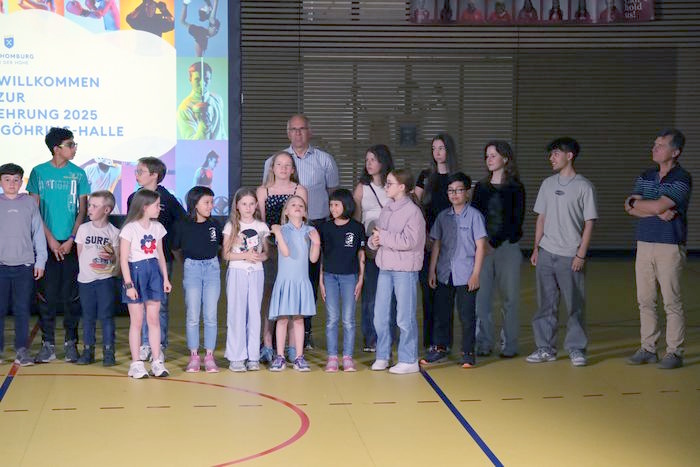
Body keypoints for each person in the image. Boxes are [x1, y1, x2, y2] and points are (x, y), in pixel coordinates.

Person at [262, 114, 340, 349]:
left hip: (309, 230)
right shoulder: (272, 161)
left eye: (302, 128)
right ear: (288, 133)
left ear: (310, 131)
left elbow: (333, 193)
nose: (298, 133)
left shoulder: (324, 160)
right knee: (273, 288)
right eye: (293, 129)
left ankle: (303, 335)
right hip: (275, 239)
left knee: (306, 285)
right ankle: (270, 340)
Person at [625, 129, 691, 370]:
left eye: (661, 145)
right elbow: (629, 206)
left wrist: (641, 204)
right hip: (644, 243)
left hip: (669, 245)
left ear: (675, 152)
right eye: (654, 144)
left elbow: (653, 205)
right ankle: (648, 348)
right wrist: (652, 209)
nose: (654, 148)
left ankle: (674, 352)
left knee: (671, 301)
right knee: (645, 300)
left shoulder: (681, 178)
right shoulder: (646, 175)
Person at [527, 137, 597, 367]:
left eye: (556, 153)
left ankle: (576, 348)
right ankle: (545, 348)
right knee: (546, 304)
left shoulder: (584, 186)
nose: (551, 158)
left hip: (571, 255)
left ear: (570, 155)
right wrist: (536, 248)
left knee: (574, 304)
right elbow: (541, 218)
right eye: (551, 154)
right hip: (547, 252)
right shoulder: (547, 184)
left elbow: (589, 223)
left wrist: (581, 254)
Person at [28, 127, 90, 364]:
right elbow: (34, 210)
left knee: (72, 296)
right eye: (70, 144)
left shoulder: (78, 174)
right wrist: (50, 239)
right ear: (56, 148)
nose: (74, 148)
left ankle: (71, 343)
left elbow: (82, 210)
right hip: (45, 244)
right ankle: (48, 345)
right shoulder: (39, 172)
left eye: (74, 144)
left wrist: (72, 238)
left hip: (71, 244)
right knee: (46, 296)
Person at [421, 172, 487, 368]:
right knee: (442, 313)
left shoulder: (475, 216)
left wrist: (476, 274)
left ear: (467, 192)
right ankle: (440, 347)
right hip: (444, 272)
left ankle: (467, 352)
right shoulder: (443, 216)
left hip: (466, 274)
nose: (454, 194)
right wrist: (432, 271)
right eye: (451, 191)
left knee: (467, 315)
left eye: (459, 190)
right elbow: (437, 245)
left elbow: (481, 247)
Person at [127, 157, 186, 363]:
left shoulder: (168, 199)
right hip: (137, 260)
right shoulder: (134, 198)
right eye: (136, 171)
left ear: (154, 175)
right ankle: (145, 344)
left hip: (160, 259)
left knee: (158, 304)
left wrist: (172, 246)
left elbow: (181, 222)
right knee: (141, 303)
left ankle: (158, 345)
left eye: (141, 171)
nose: (136, 175)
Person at [369, 169, 426, 375]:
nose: (386, 186)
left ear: (402, 187)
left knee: (404, 316)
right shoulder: (387, 208)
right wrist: (374, 241)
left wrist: (383, 237)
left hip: (404, 270)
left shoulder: (413, 212)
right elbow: (379, 235)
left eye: (390, 183)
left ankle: (409, 359)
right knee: (380, 315)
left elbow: (409, 241)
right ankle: (383, 355)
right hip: (385, 267)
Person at [472, 141, 525, 358]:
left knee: (510, 299)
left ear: (505, 158)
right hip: (483, 249)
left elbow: (515, 220)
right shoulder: (481, 187)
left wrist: (494, 243)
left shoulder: (516, 187)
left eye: (493, 155)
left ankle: (509, 344)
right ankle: (483, 343)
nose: (489, 159)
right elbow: (476, 217)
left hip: (507, 248)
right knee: (482, 300)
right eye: (487, 156)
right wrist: (483, 243)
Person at [257, 151, 308, 363]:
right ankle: (268, 343)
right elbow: (261, 224)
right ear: (272, 168)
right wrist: (266, 248)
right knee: (269, 296)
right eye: (279, 164)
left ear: (293, 169)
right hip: (271, 248)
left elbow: (303, 221)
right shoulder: (263, 191)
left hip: (293, 251)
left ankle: (292, 346)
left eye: (288, 165)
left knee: (292, 297)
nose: (283, 168)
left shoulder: (299, 190)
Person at [120, 189, 172, 378]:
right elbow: (123, 259)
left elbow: (160, 255)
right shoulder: (129, 229)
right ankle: (136, 363)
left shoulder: (157, 227)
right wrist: (129, 285)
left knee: (154, 319)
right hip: (135, 273)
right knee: (137, 321)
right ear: (144, 207)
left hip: (154, 274)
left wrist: (165, 278)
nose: (159, 208)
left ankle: (157, 361)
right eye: (156, 205)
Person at [0, 163, 47, 367]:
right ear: (1, 181)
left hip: (25, 265)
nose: (12, 183)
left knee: (22, 310)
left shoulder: (29, 203)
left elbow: (38, 233)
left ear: (21, 182)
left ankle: (22, 350)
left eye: (16, 180)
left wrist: (41, 261)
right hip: (1, 266)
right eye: (7, 179)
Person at [267, 196, 321, 372]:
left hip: (301, 281)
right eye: (293, 205)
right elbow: (285, 252)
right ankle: (280, 356)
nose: (297, 207)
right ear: (286, 211)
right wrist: (278, 233)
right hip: (285, 280)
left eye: (301, 205)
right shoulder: (282, 230)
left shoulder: (310, 230)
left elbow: (313, 259)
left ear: (305, 212)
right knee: (282, 319)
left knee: (298, 319)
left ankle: (299, 357)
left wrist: (317, 243)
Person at [173, 186, 222, 373]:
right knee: (193, 314)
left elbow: (219, 247)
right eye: (206, 202)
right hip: (192, 268)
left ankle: (209, 356)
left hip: (212, 269)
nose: (211, 206)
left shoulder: (214, 225)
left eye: (212, 202)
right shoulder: (182, 225)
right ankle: (194, 356)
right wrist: (188, 263)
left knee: (210, 315)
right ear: (195, 204)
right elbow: (176, 249)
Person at [415, 133, 457, 351]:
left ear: (449, 150)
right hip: (428, 242)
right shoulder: (425, 176)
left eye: (441, 148)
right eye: (434, 148)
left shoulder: (457, 178)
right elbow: (416, 205)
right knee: (428, 292)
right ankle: (429, 341)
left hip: (450, 244)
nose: (437, 152)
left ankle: (444, 342)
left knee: (446, 293)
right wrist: (425, 236)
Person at [352, 144, 394, 353]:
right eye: (367, 160)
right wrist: (359, 246)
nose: (369, 164)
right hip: (370, 243)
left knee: (391, 293)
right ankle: (371, 337)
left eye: (373, 160)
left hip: (392, 243)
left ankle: (389, 335)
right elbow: (356, 218)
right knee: (370, 292)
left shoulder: (392, 184)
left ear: (383, 161)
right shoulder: (362, 187)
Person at [222, 188, 270, 372]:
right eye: (244, 204)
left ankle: (253, 356)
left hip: (256, 272)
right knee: (237, 313)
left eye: (251, 204)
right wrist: (245, 255)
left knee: (255, 314)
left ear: (256, 205)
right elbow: (226, 254)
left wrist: (259, 257)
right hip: (237, 272)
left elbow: (266, 253)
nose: (248, 208)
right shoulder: (231, 227)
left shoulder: (261, 227)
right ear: (237, 206)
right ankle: (236, 357)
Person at [319, 189, 365, 372]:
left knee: (348, 319)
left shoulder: (357, 228)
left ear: (346, 205)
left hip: (349, 277)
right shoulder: (325, 228)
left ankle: (347, 357)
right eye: (331, 205)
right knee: (332, 318)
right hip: (329, 276)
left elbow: (361, 254)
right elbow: (322, 256)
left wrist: (360, 279)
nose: (333, 208)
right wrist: (321, 280)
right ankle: (332, 357)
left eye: (336, 204)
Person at [74, 190, 120, 366]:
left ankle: (109, 352)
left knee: (106, 316)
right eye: (89, 205)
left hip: (105, 280)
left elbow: (117, 258)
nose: (90, 209)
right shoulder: (83, 229)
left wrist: (110, 260)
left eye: (94, 206)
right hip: (86, 280)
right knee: (88, 316)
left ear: (106, 210)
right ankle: (88, 351)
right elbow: (80, 254)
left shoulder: (114, 232)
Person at [177, 61, 227, 140]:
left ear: (210, 79)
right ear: (190, 79)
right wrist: (203, 124)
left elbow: (222, 132)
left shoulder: (217, 99)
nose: (202, 83)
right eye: (197, 79)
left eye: (206, 79)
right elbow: (191, 143)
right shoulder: (184, 108)